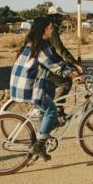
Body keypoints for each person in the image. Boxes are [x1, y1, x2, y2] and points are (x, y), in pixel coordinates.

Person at [10, 16, 82, 161]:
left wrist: (71, 69)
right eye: (50, 28)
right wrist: (75, 76)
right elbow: (54, 66)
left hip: (22, 84)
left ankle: (46, 123)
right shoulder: (40, 47)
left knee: (50, 88)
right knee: (51, 110)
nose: (52, 30)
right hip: (29, 88)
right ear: (44, 30)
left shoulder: (35, 43)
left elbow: (56, 61)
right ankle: (40, 144)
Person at [47, 5, 84, 120]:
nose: (61, 19)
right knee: (66, 82)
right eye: (59, 17)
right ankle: (57, 110)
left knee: (59, 80)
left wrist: (67, 63)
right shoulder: (51, 29)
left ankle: (57, 109)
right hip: (45, 63)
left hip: (47, 61)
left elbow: (54, 51)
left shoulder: (48, 27)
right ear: (54, 17)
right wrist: (74, 63)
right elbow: (60, 49)